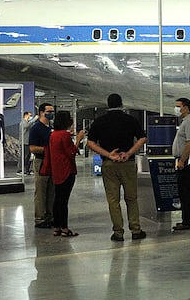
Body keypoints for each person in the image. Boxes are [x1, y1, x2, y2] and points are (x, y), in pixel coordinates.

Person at [84, 93, 147, 241]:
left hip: (109, 164)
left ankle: (118, 232)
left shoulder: (100, 121)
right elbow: (142, 138)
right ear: (121, 104)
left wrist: (108, 154)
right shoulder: (130, 120)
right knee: (131, 198)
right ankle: (136, 230)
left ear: (108, 104)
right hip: (128, 163)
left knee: (113, 200)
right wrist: (129, 152)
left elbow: (90, 143)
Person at [45, 110, 85, 237]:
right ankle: (64, 228)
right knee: (64, 201)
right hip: (67, 170)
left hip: (57, 170)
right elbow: (72, 152)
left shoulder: (53, 135)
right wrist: (78, 139)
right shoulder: (64, 135)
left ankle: (57, 227)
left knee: (58, 199)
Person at [170, 97, 190, 231]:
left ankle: (189, 221)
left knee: (186, 191)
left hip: (187, 160)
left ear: (186, 107)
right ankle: (186, 219)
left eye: (179, 106)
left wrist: (182, 160)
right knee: (183, 192)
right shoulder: (185, 122)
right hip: (184, 159)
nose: (176, 109)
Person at [27, 103, 55, 228]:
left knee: (51, 191)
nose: (51, 113)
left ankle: (50, 216)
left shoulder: (51, 127)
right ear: (42, 112)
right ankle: (40, 218)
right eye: (49, 111)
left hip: (52, 162)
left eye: (52, 111)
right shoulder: (36, 128)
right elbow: (32, 148)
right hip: (41, 162)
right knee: (41, 191)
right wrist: (47, 149)